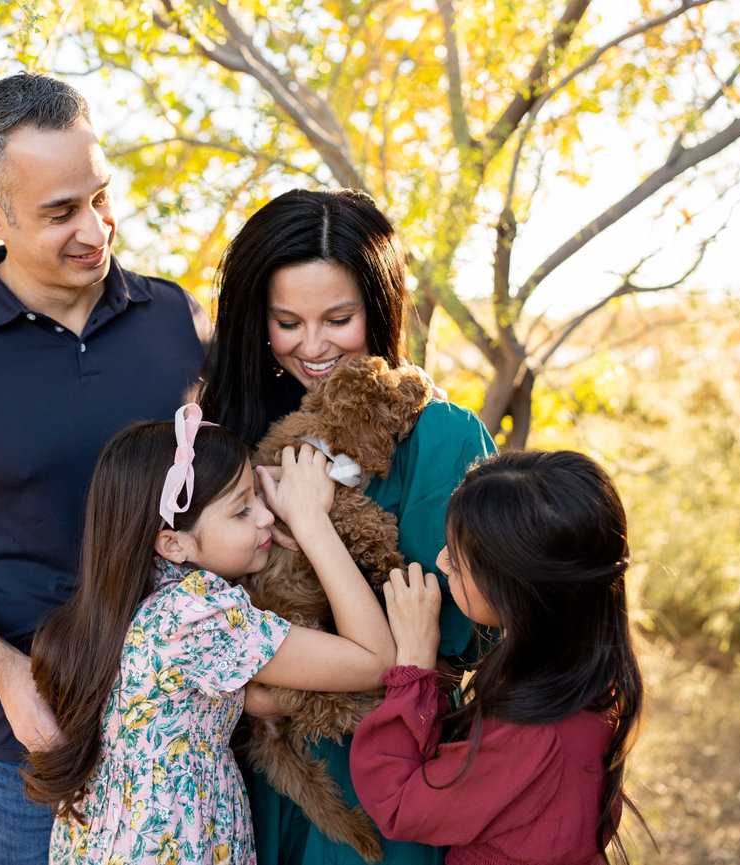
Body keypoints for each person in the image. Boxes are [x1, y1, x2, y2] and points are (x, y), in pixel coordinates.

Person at [0, 72, 211, 865]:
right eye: (61, 212)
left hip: (197, 736)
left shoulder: (178, 320)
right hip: (36, 754)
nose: (96, 228)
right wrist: (6, 674)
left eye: (101, 196)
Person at [198, 187, 497, 865]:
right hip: (256, 776)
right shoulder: (240, 432)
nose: (313, 346)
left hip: (391, 764)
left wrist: (315, 528)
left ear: (380, 309)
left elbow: (460, 633)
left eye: (339, 318)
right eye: (287, 322)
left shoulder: (442, 439)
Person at [25, 404, 398, 863]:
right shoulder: (197, 613)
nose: (266, 516)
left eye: (258, 495)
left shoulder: (121, 605)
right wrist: (311, 522)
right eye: (242, 510)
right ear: (173, 544)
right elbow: (375, 661)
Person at [351, 449, 646, 865]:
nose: (440, 562)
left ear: (515, 591)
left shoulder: (534, 733)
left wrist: (414, 661)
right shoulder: (583, 680)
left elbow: (399, 803)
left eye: (457, 562)